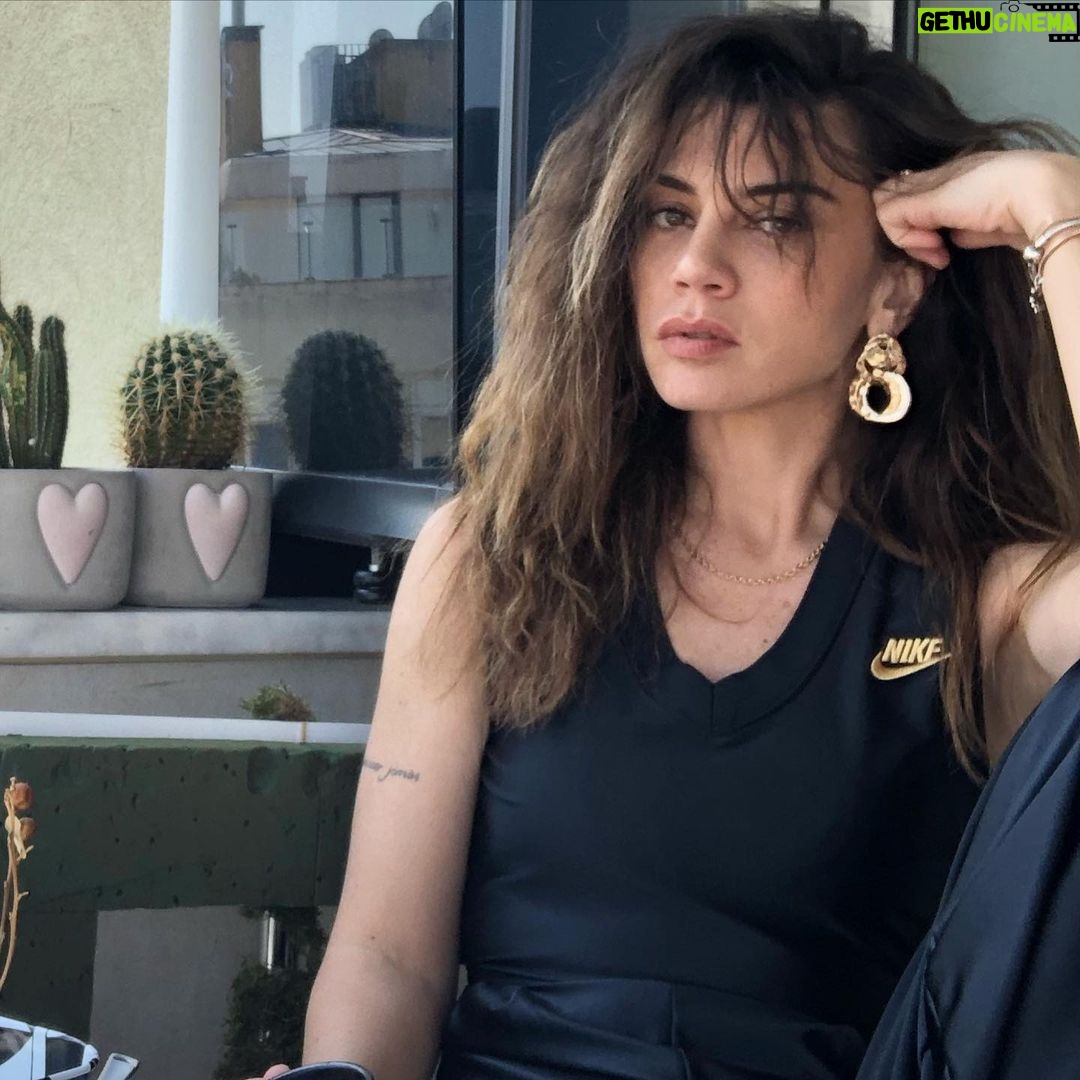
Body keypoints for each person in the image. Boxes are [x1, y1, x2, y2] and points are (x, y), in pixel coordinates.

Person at [250, 8, 1080, 1079]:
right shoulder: (495, 560)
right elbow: (387, 956)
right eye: (665, 213)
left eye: (772, 220)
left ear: (894, 285)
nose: (696, 266)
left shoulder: (984, 599)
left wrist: (1053, 210)